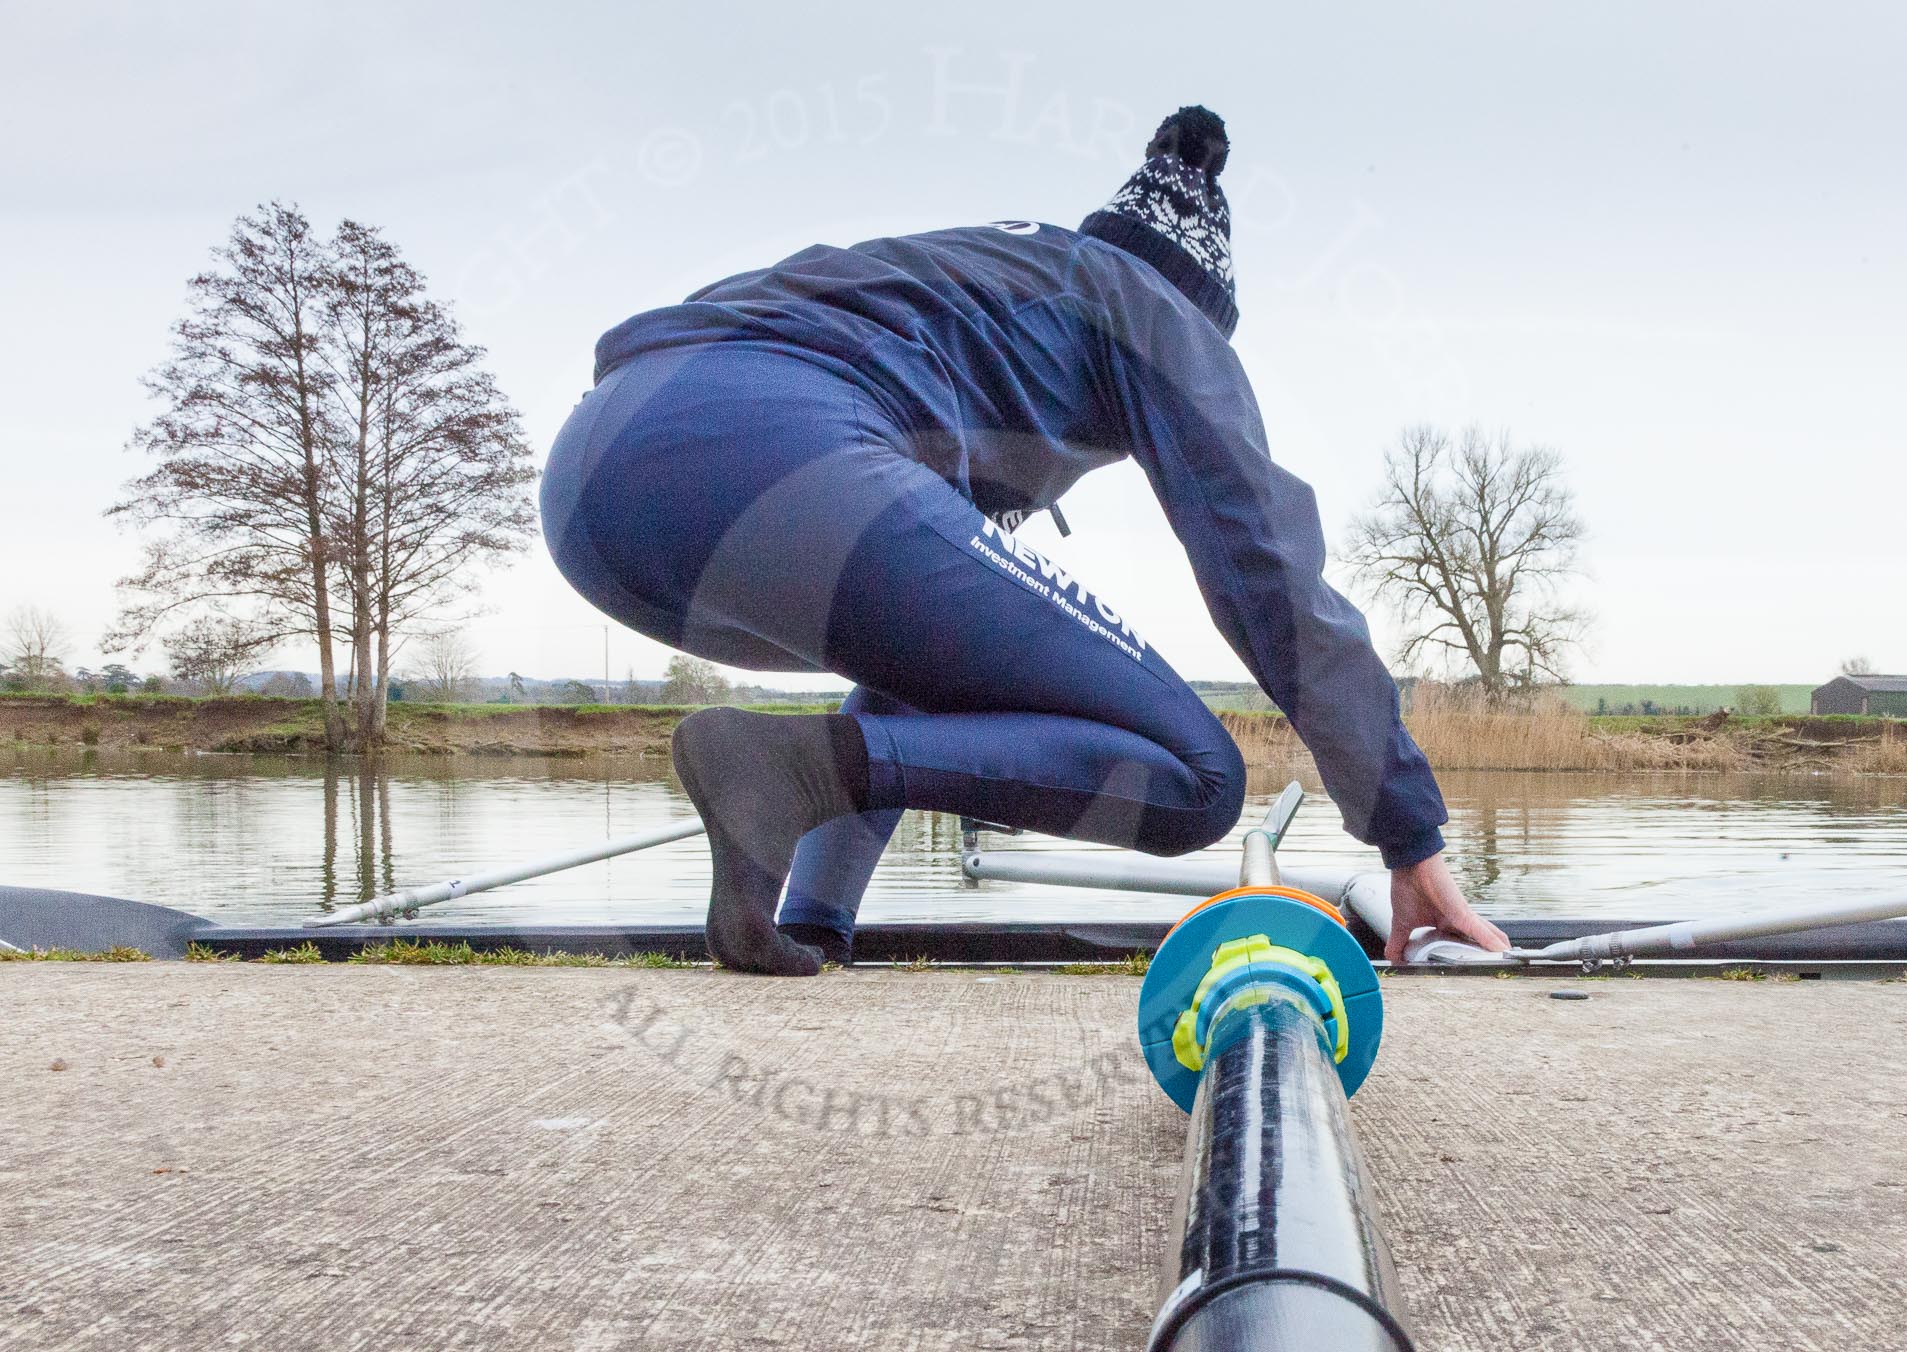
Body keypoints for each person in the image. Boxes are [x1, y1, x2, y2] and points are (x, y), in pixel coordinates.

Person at [540, 105, 1509, 975]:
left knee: (920, 683)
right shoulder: (1153, 306)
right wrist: (1408, 837)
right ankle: (774, 775)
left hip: (596, 495)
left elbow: (909, 672)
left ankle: (796, 917)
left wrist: (821, 923)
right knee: (1194, 777)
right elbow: (1267, 567)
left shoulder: (989, 292)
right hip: (771, 453)